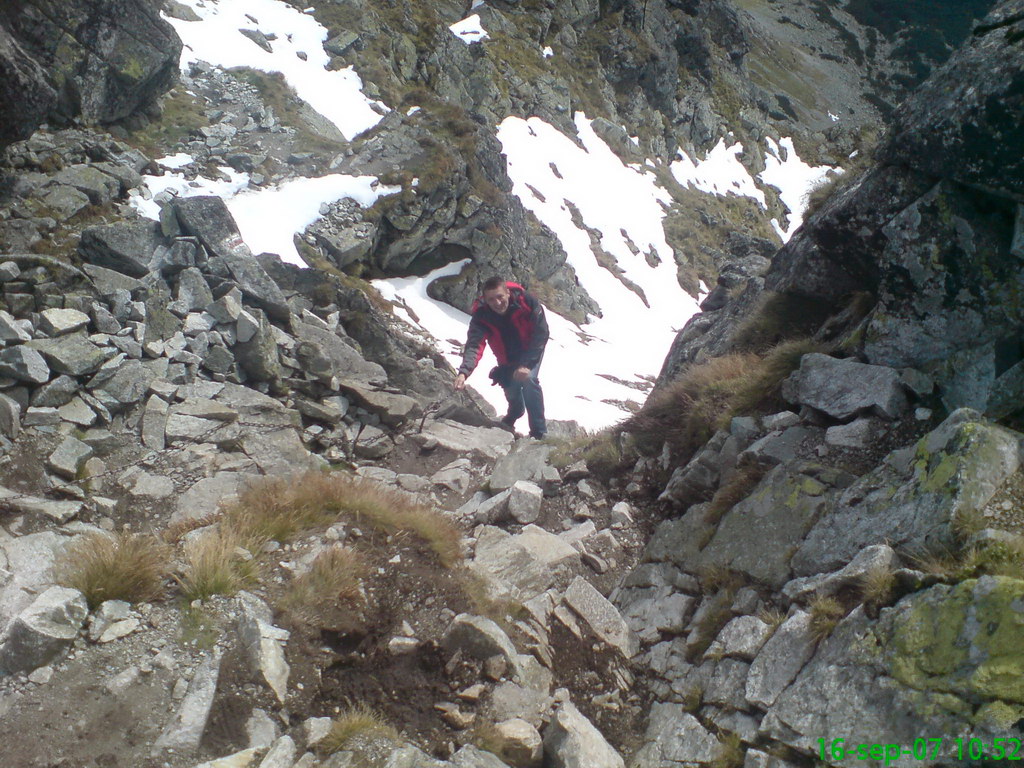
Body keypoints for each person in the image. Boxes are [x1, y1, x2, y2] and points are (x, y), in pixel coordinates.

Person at [454, 276, 549, 439]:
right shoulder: (481, 315)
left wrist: (526, 364)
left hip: (530, 351)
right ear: (485, 299)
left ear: (507, 292)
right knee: (512, 391)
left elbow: (541, 334)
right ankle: (513, 415)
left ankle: (538, 433)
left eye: (500, 297)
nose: (497, 303)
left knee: (528, 380)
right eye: (491, 299)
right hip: (506, 359)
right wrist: (464, 372)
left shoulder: (527, 301)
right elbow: (475, 345)